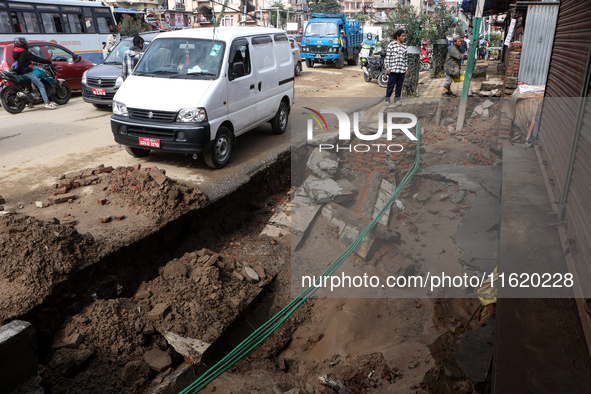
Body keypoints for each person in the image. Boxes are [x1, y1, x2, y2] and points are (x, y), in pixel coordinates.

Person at [11, 37, 57, 109]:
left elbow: (21, 61)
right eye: (22, 41)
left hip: (18, 72)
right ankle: (47, 103)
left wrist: (30, 62)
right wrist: (49, 62)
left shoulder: (15, 51)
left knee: (28, 86)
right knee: (40, 85)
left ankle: (29, 102)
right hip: (26, 72)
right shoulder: (25, 52)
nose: (24, 43)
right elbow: (37, 58)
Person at [384, 29, 407, 106]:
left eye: (404, 36)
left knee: (399, 85)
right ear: (398, 37)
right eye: (402, 36)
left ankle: (397, 100)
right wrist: (387, 67)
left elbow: (405, 58)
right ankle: (387, 100)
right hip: (393, 69)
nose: (404, 37)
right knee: (390, 85)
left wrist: (406, 68)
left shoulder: (404, 46)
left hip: (401, 69)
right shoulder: (391, 45)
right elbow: (388, 57)